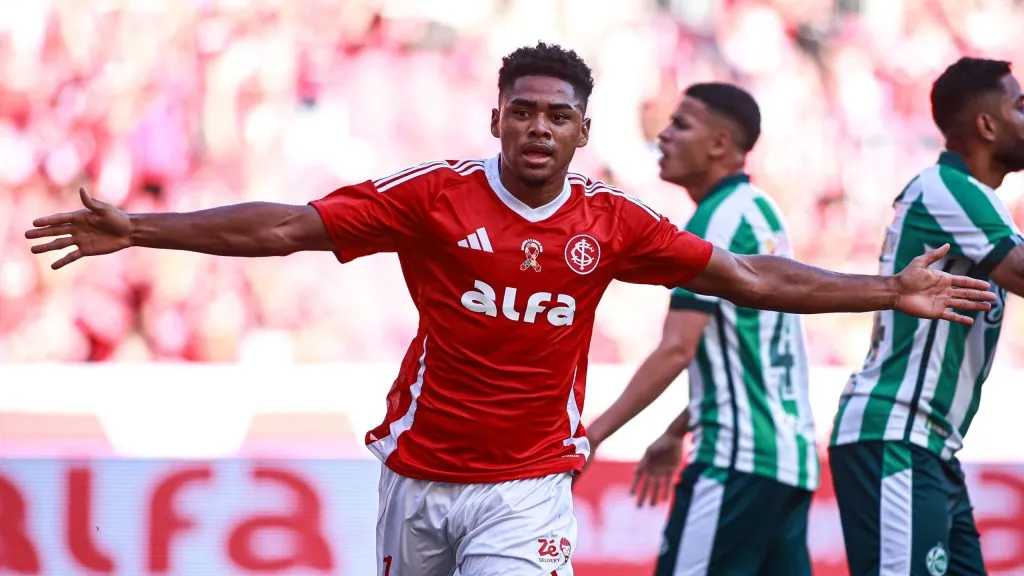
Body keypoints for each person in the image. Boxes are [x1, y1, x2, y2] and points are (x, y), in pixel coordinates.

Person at [26, 43, 994, 576]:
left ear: (582, 131)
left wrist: (888, 289)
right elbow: (285, 228)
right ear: (495, 117)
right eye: (522, 110)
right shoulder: (432, 196)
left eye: (556, 115)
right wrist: (140, 228)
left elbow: (749, 280)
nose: (537, 127)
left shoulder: (611, 222)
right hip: (417, 471)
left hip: (527, 486)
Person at [582, 83, 817, 576]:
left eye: (681, 124)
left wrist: (593, 435)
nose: (663, 135)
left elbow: (677, 348)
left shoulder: (716, 222)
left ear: (719, 144)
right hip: (788, 463)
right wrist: (675, 431)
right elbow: (747, 357)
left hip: (736, 462)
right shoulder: (761, 211)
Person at [829, 57, 1024, 576]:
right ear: (987, 125)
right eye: (1020, 106)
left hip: (928, 444)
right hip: (897, 434)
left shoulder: (972, 199)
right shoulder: (948, 187)